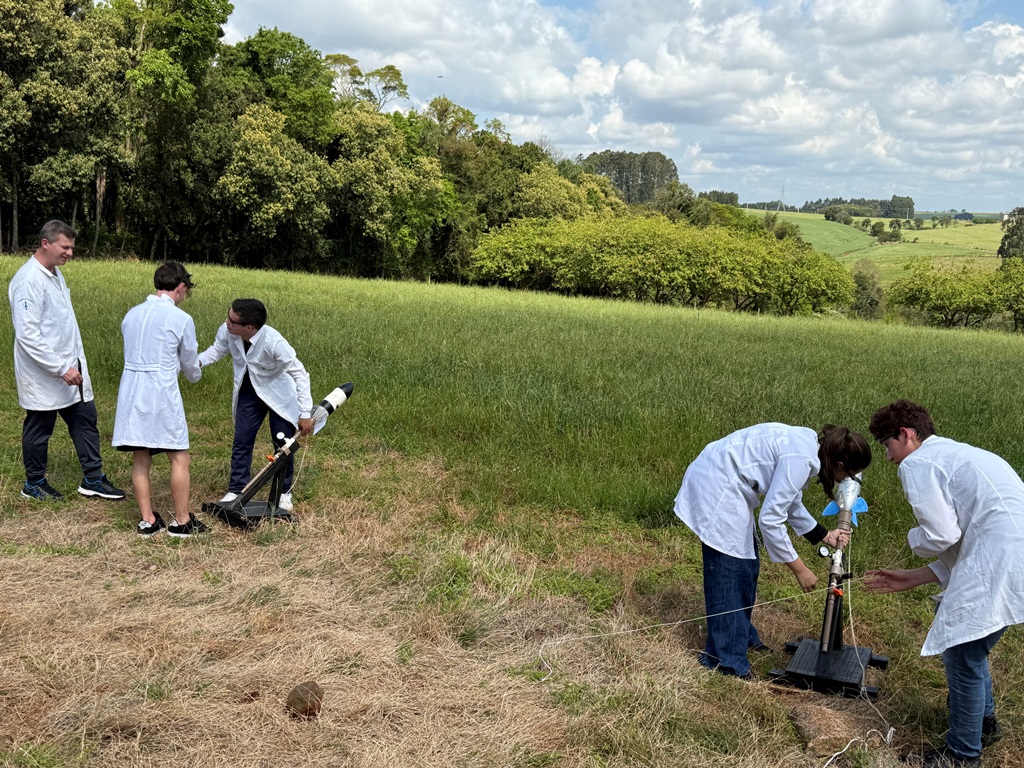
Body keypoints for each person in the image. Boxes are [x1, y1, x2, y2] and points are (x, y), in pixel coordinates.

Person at [865, 400, 1024, 768]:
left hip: (1001, 558)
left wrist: (912, 539)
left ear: (906, 434)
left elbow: (941, 534)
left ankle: (962, 755)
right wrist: (916, 576)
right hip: (1008, 553)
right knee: (972, 643)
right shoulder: (958, 453)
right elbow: (968, 532)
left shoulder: (918, 463)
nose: (888, 457)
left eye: (887, 445)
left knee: (962, 653)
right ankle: (982, 724)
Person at [674, 423, 871, 679]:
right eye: (848, 475)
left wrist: (824, 535)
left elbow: (790, 502)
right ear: (840, 465)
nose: (844, 481)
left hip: (731, 482)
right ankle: (725, 661)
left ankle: (739, 634)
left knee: (747, 565)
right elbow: (770, 519)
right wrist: (800, 569)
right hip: (717, 483)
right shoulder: (801, 458)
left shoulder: (809, 450)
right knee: (730, 570)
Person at [8, 220, 124, 501]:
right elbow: (28, 335)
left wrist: (70, 365)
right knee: (40, 427)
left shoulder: (55, 273)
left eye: (72, 247)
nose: (70, 253)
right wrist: (60, 368)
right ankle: (34, 483)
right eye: (65, 247)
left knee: (85, 419)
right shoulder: (28, 280)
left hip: (71, 366)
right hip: (44, 372)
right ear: (45, 243)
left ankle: (93, 478)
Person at [112, 262, 207, 537]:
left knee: (141, 456)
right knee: (179, 456)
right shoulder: (181, 319)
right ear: (181, 287)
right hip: (162, 392)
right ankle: (182, 520)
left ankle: (148, 520)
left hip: (132, 391)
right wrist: (195, 374)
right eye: (186, 290)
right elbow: (190, 364)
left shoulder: (132, 314)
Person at [198, 299, 314, 510]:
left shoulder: (274, 342)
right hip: (249, 390)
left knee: (283, 443)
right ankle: (236, 489)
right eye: (228, 315)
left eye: (232, 320)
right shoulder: (228, 331)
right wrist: (196, 362)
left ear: (249, 328)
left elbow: (300, 374)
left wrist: (305, 413)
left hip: (278, 393)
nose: (227, 322)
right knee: (242, 439)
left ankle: (284, 491)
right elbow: (217, 350)